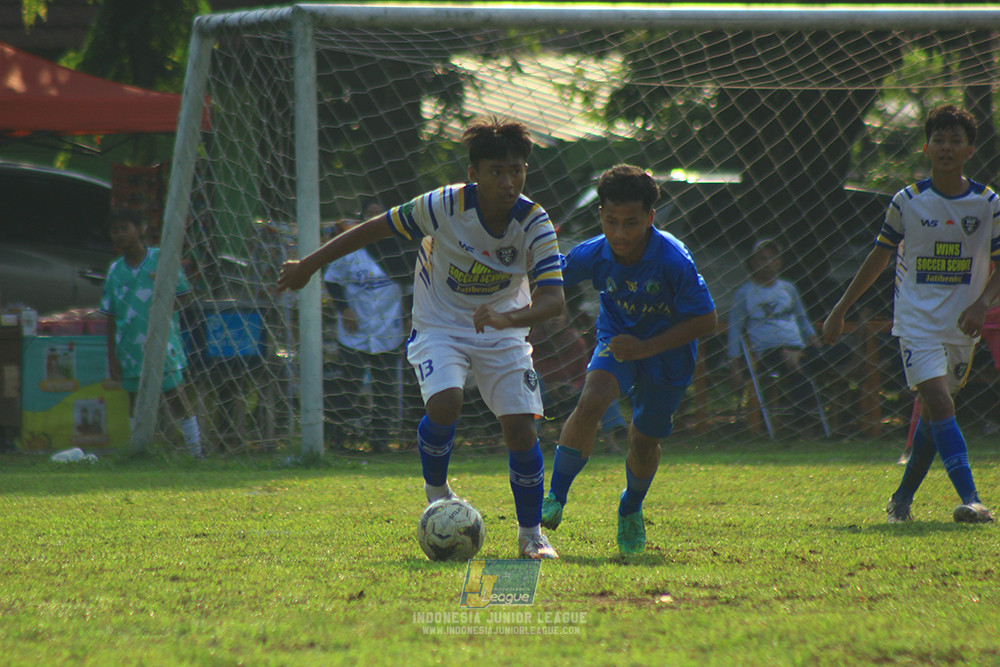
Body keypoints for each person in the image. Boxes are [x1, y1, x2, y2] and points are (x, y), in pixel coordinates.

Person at [279, 116, 566, 559]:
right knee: (445, 402)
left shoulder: (534, 222)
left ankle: (531, 536)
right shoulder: (442, 206)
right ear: (473, 173)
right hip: (440, 323)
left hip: (503, 327)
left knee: (522, 430)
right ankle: (438, 494)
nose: (509, 182)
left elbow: (553, 301)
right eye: (496, 171)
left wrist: (509, 320)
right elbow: (372, 229)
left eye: (517, 170)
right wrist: (308, 266)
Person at [823, 104, 1000, 524]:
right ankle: (973, 499)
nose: (946, 147)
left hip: (962, 325)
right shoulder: (907, 201)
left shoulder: (988, 203)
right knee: (938, 400)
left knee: (935, 411)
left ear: (968, 149)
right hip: (916, 322)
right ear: (926, 147)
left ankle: (901, 500)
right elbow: (878, 258)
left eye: (955, 140)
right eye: (939, 139)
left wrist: (981, 303)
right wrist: (840, 309)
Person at [540, 164, 718, 554]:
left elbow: (707, 319)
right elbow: (546, 277)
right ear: (600, 216)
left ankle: (630, 508)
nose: (619, 234)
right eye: (611, 221)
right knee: (591, 401)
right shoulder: (594, 253)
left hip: (667, 354)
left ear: (651, 218)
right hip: (617, 341)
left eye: (631, 223)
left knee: (642, 439)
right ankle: (554, 495)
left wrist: (648, 348)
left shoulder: (672, 260)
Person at [100, 208, 203, 458]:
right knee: (135, 401)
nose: (120, 234)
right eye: (115, 231)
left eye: (125, 228)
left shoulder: (161, 259)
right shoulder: (115, 270)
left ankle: (196, 452)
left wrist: (164, 292)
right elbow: (110, 315)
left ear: (140, 229)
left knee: (174, 395)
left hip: (162, 342)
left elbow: (185, 296)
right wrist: (112, 355)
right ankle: (138, 452)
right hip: (129, 348)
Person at [323, 213, 406, 452]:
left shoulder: (398, 252)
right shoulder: (350, 249)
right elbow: (331, 280)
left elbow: (410, 285)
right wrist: (344, 308)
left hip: (389, 332)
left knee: (385, 390)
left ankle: (379, 442)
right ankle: (336, 439)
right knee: (348, 387)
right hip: (354, 333)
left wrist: (409, 315)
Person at [727, 238, 826, 429]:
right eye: (761, 258)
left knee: (836, 352)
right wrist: (735, 366)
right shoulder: (744, 293)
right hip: (768, 354)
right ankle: (805, 421)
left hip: (798, 349)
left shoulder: (788, 288)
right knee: (793, 362)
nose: (767, 263)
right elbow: (735, 330)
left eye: (772, 258)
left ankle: (804, 420)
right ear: (752, 262)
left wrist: (816, 343)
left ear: (780, 262)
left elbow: (802, 318)